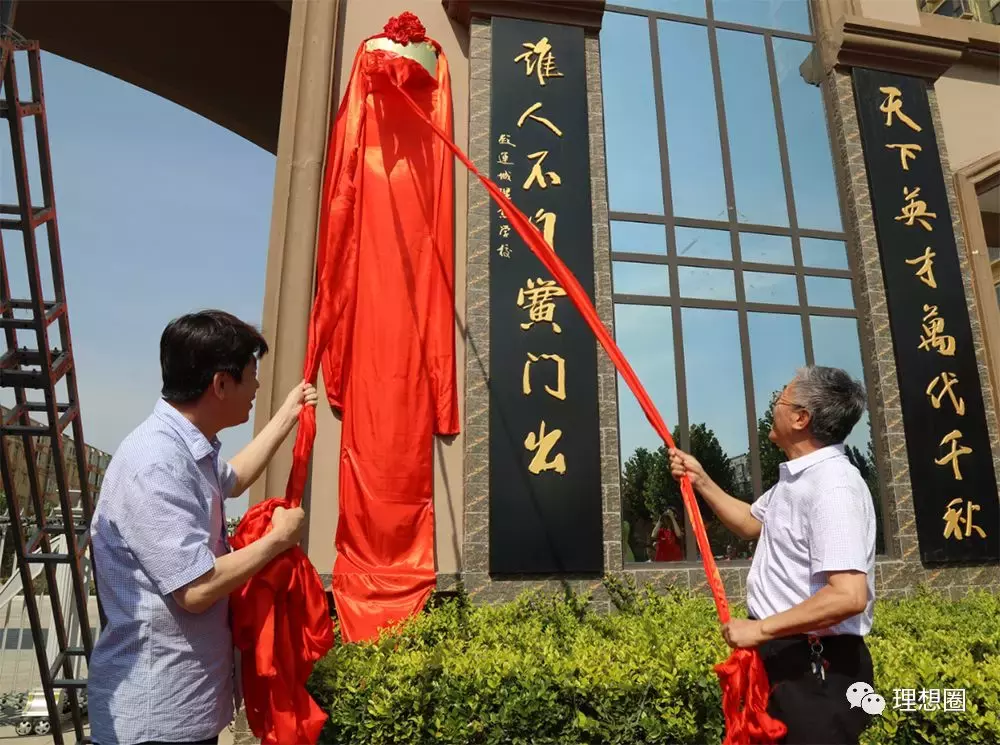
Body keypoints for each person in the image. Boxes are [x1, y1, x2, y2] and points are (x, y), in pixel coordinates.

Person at [88, 310, 318, 745]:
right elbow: (195, 590)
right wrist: (278, 540)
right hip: (157, 719)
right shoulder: (155, 462)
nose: (255, 389)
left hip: (186, 708)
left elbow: (232, 479)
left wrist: (290, 414)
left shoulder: (187, 447)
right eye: (251, 376)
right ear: (220, 384)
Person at [669, 365, 877, 745]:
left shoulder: (833, 487)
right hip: (786, 656)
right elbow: (751, 522)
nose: (773, 406)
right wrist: (700, 479)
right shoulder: (799, 478)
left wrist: (759, 629)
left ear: (801, 418)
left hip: (816, 670)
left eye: (780, 398)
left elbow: (848, 595)